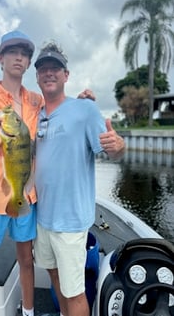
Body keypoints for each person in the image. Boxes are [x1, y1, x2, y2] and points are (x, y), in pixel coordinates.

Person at [0, 31, 95, 316]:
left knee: (27, 261)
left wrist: (81, 101)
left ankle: (29, 311)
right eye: (12, 51)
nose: (19, 57)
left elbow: (62, 109)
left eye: (24, 53)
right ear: (0, 58)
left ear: (28, 62)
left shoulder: (37, 101)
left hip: (25, 194)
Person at [33, 42, 125, 316]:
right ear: (37, 76)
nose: (49, 73)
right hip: (41, 218)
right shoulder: (33, 115)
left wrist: (119, 147)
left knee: (75, 292)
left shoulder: (85, 110)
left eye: (55, 68)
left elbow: (113, 152)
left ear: (66, 75)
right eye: (43, 69)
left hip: (71, 222)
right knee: (55, 277)